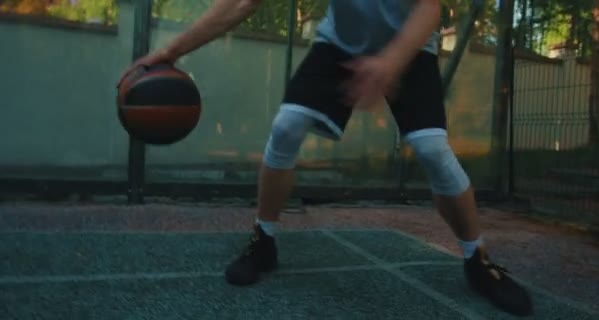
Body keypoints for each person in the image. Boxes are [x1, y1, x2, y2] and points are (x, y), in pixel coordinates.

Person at [121, 0, 533, 317]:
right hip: (338, 46)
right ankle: (263, 241)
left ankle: (478, 260)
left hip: (409, 50)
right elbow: (243, 3)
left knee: (431, 149)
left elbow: (430, 7)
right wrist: (172, 51)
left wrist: (388, 64)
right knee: (286, 127)